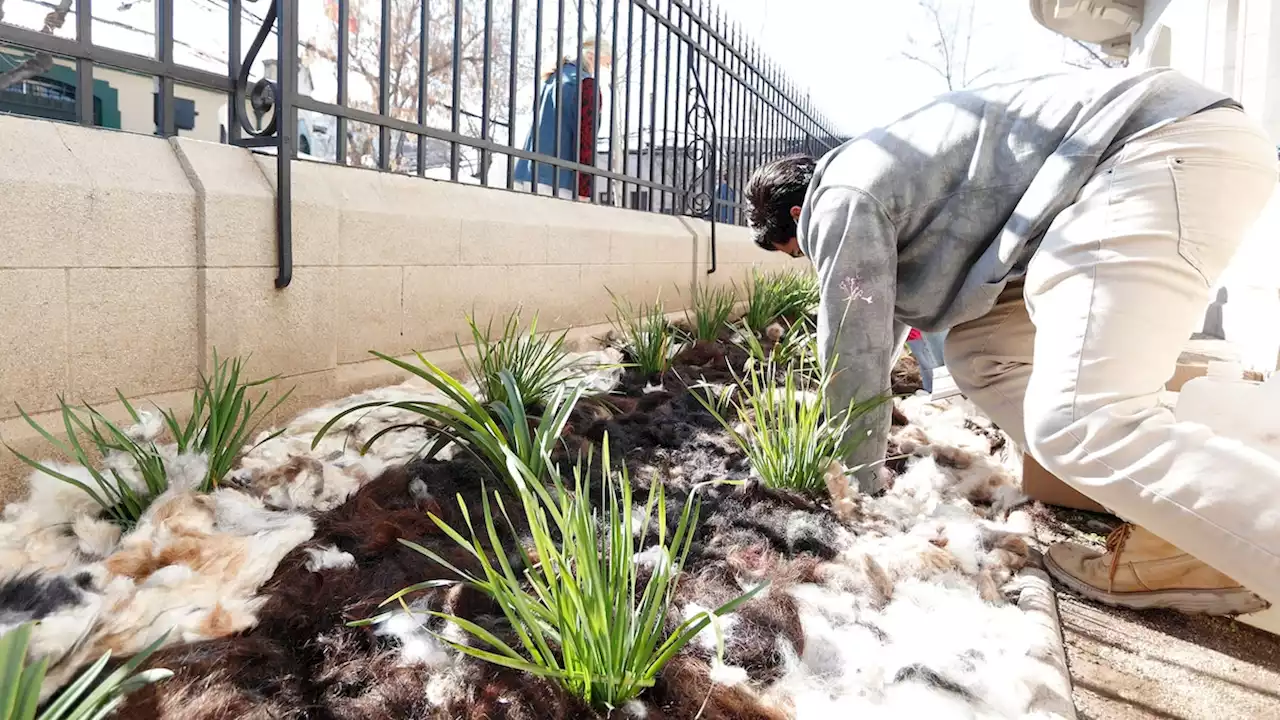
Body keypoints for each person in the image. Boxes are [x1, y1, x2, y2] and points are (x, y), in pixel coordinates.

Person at [743, 66, 1280, 616]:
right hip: (1140, 165)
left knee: (1082, 422)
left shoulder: (839, 200)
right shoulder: (879, 172)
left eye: (800, 252)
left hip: (1152, 148)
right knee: (983, 354)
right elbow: (884, 322)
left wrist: (847, 484)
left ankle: (1224, 537)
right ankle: (1177, 532)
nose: (815, 263)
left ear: (797, 216)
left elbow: (853, 344)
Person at [514, 40, 608, 201]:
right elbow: (586, 140)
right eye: (605, 64)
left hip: (526, 173)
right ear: (591, 57)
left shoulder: (552, 79)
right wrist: (584, 190)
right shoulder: (585, 85)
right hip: (559, 182)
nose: (604, 70)